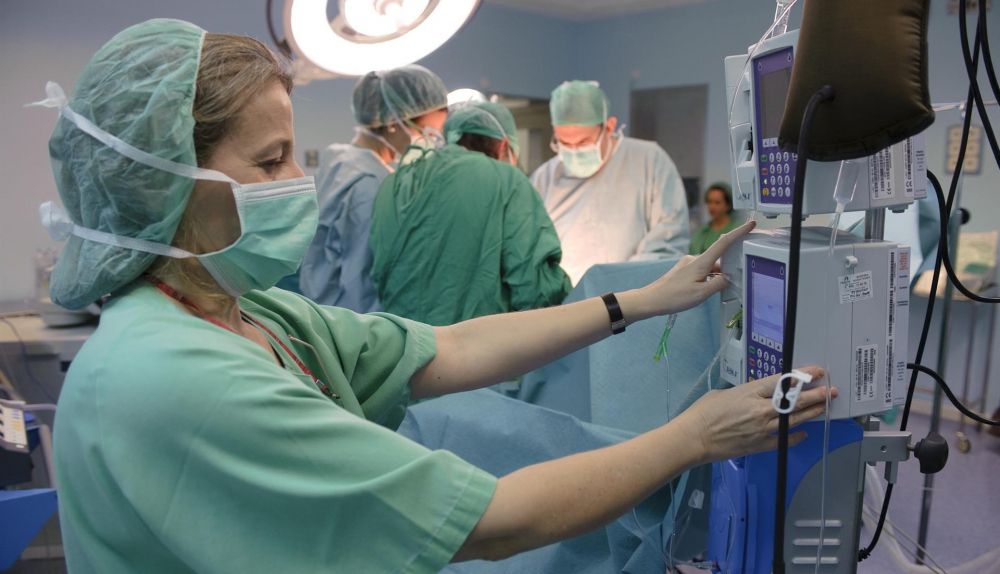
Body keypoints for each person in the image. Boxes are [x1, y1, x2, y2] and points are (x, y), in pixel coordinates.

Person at [39, 19, 835, 573]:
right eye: (273, 160)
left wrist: (636, 302)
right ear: (166, 186)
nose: (298, 181)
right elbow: (491, 524)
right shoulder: (173, 375)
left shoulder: (246, 310)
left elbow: (447, 347)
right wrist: (692, 437)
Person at [369, 101, 572, 325]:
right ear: (504, 145)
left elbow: (379, 275)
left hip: (404, 341)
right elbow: (536, 289)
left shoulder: (393, 184)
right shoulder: (506, 180)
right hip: (477, 344)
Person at [298, 66, 448, 312]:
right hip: (353, 320)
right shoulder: (369, 185)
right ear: (393, 123)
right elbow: (360, 282)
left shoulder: (340, 161)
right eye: (426, 132)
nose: (430, 142)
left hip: (324, 309)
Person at [532, 81, 690, 284]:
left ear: (609, 126)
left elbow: (668, 238)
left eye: (583, 142)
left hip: (634, 294)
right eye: (564, 143)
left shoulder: (648, 160)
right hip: (568, 299)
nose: (574, 151)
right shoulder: (544, 178)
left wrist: (619, 286)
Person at [690, 182, 742, 255]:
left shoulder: (737, 229)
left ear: (728, 205)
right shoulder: (702, 232)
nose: (712, 207)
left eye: (717, 202)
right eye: (709, 202)